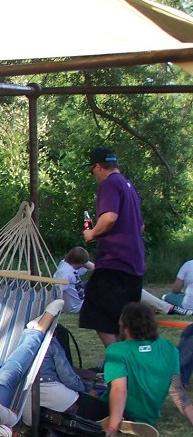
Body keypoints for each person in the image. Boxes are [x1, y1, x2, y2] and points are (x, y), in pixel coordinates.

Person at [81, 147, 146, 347]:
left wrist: (91, 233)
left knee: (97, 312)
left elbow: (109, 218)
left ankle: (118, 360)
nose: (93, 175)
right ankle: (132, 363)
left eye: (92, 169)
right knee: (125, 320)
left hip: (114, 263)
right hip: (134, 264)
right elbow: (141, 227)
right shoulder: (128, 185)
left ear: (99, 167)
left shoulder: (109, 184)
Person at [99, 302, 193, 437]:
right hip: (150, 417)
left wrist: (112, 428)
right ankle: (129, 421)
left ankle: (119, 421)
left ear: (125, 325)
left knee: (90, 392)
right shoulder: (169, 348)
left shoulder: (117, 350)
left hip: (117, 410)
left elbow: (120, 389)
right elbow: (177, 391)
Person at [54, 246, 93, 313]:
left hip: (81, 299)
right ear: (78, 262)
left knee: (98, 281)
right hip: (76, 307)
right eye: (82, 263)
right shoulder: (64, 272)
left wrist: (84, 260)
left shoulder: (68, 264)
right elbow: (59, 292)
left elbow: (93, 268)